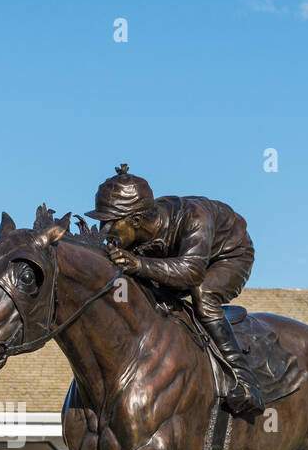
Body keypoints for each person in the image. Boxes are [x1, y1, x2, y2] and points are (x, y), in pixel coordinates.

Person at [88, 164, 264, 416]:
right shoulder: (135, 232)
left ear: (135, 220)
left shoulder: (195, 218)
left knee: (204, 296)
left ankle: (243, 378)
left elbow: (192, 272)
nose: (105, 233)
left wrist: (137, 264)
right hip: (178, 260)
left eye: (109, 224)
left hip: (226, 256)